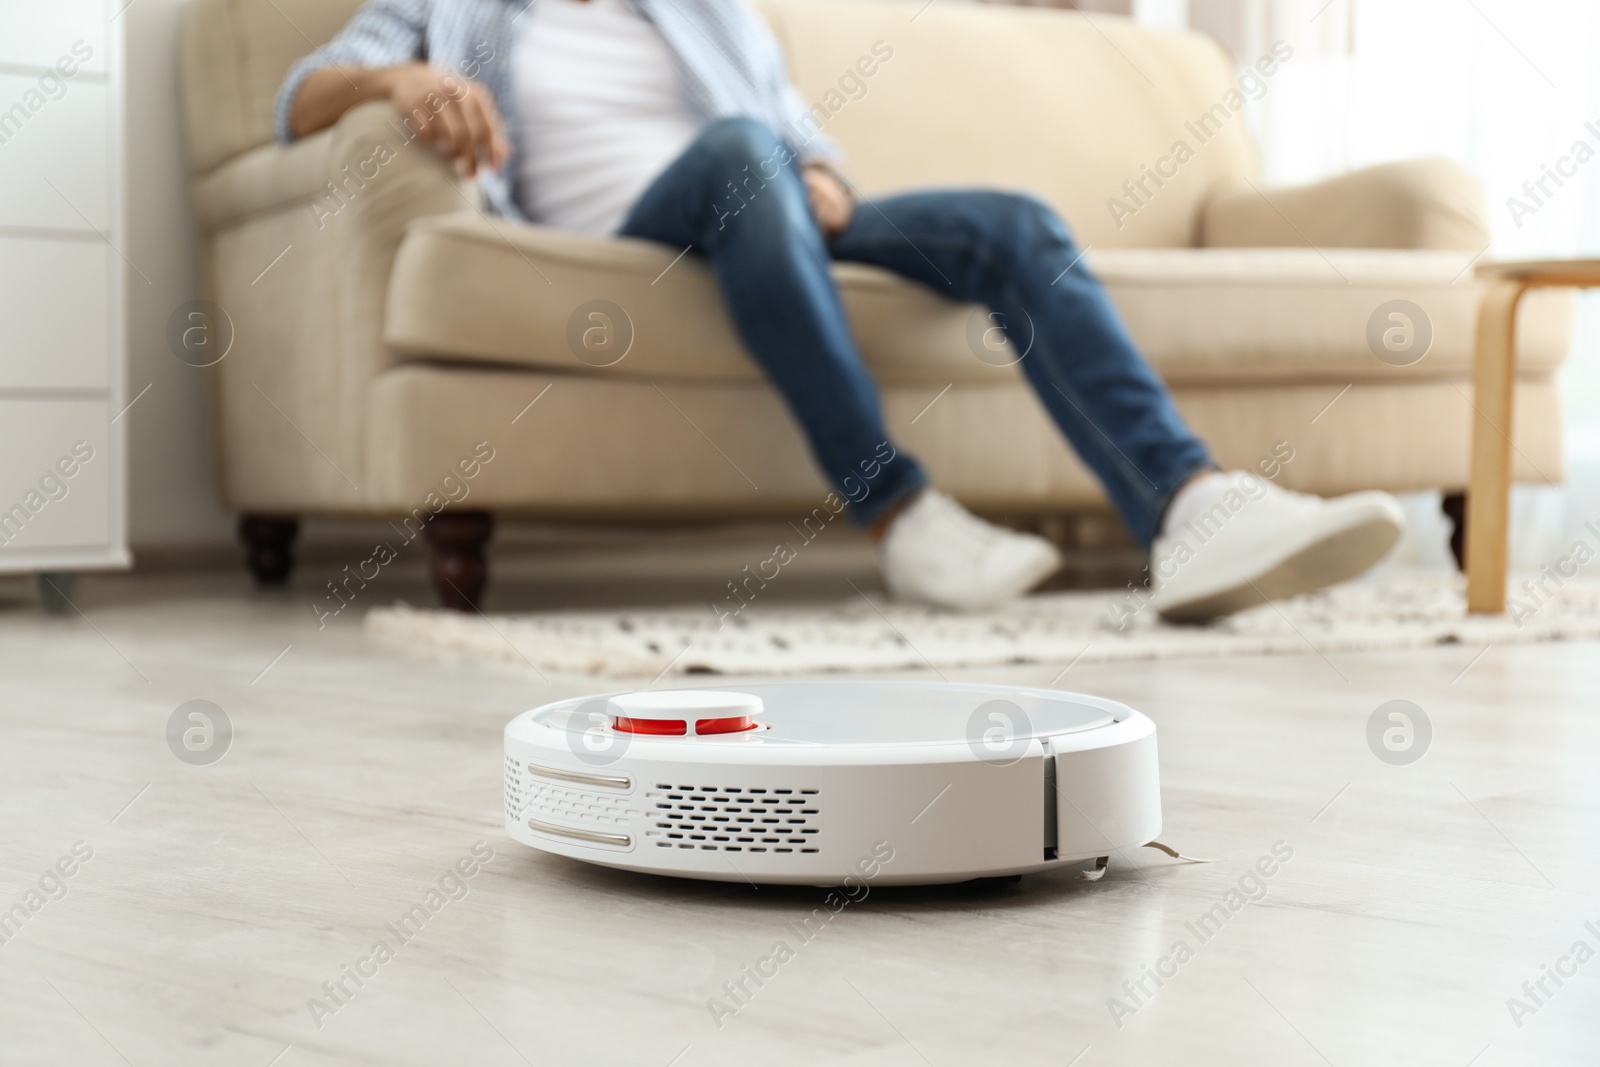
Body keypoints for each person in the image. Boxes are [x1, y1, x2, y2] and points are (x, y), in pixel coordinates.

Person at [276, 0, 1405, 621]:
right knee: (734, 152)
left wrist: (822, 175)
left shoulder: (701, 10)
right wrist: (397, 80)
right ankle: (900, 512)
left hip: (761, 196)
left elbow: (790, 124)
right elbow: (300, 101)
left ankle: (1188, 505)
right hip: (630, 234)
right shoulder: (455, 9)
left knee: (1010, 221)